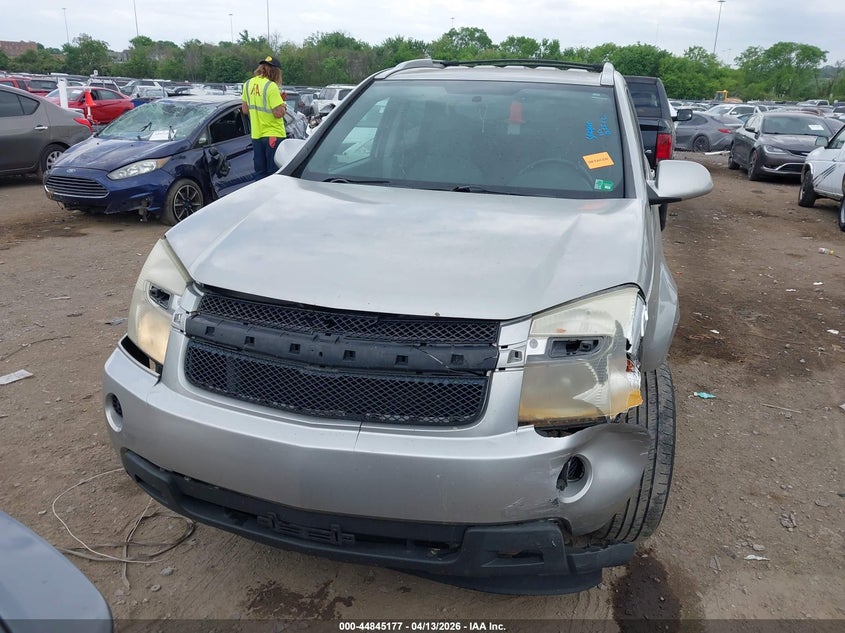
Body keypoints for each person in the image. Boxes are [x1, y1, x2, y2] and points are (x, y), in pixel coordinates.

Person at [241, 55, 287, 179]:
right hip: (273, 135)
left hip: (256, 135)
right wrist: (283, 106)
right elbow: (278, 113)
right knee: (274, 174)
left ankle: (261, 197)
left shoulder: (247, 84)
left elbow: (245, 110)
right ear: (275, 71)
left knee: (260, 174)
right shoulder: (271, 86)